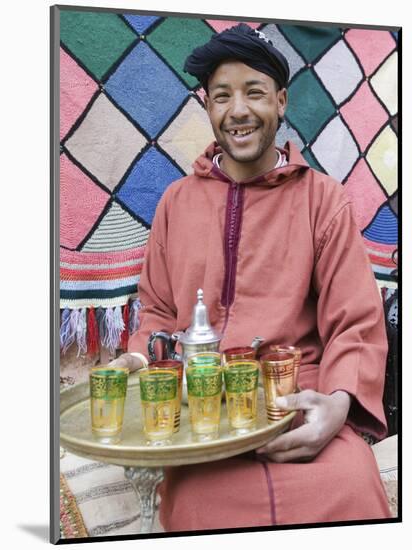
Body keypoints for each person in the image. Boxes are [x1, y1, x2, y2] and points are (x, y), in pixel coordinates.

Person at [114, 24, 391, 529]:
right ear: (208, 107)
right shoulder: (177, 202)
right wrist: (142, 358)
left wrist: (336, 405)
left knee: (352, 488)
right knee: (197, 512)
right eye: (222, 96)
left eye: (255, 92)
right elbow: (155, 311)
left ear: (281, 102)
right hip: (201, 413)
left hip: (298, 405)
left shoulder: (322, 199)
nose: (238, 110)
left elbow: (355, 322)